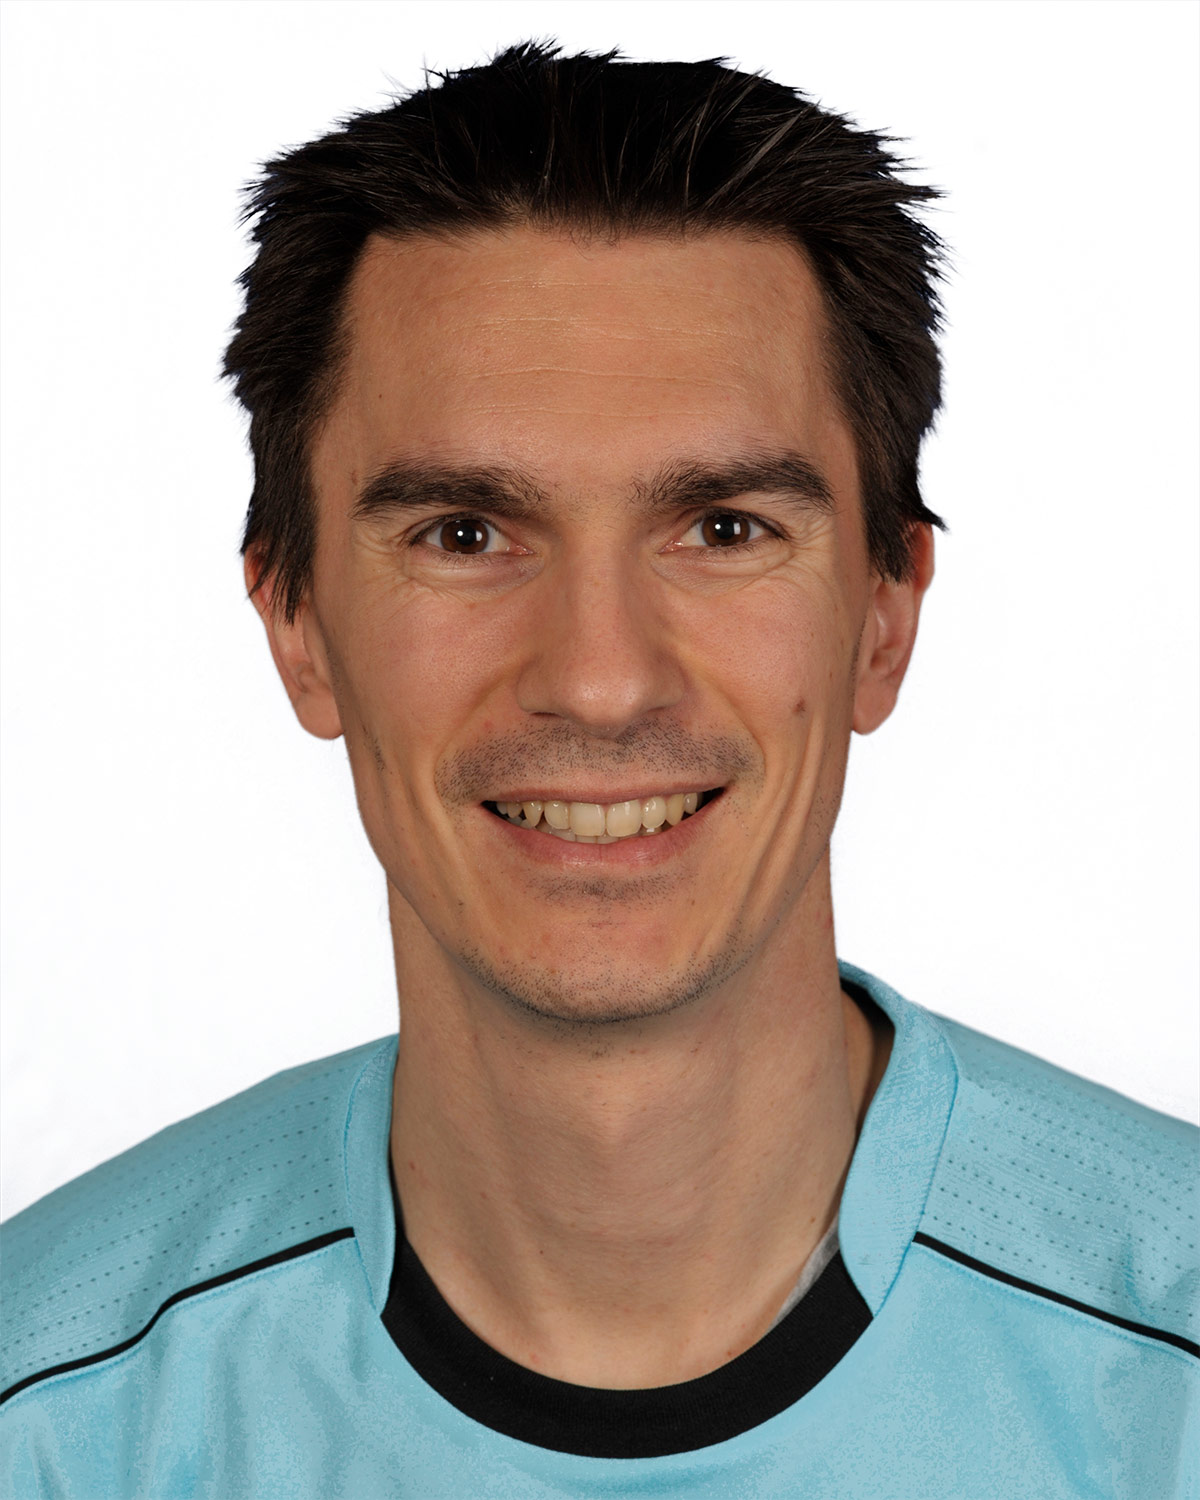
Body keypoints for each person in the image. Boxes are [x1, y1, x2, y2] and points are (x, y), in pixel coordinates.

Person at [2, 42, 1195, 1498]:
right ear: (296, 625)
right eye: (463, 534)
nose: (600, 676)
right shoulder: (47, 1423)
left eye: (725, 530)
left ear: (887, 615)